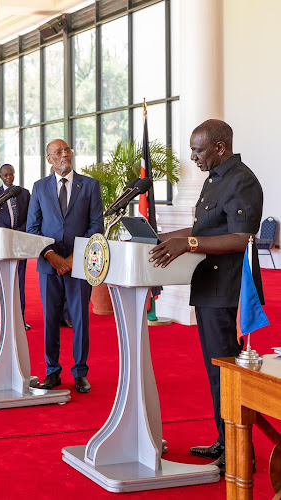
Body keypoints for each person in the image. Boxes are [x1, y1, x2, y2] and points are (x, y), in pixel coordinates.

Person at [149, 119, 263, 473]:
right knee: (215, 371)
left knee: (226, 372)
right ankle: (224, 438)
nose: (193, 156)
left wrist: (189, 243)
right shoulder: (215, 179)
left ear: (220, 146)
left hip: (227, 287)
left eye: (198, 150)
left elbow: (242, 237)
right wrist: (165, 236)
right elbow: (203, 229)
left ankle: (239, 451)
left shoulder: (241, 180)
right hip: (208, 285)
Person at [26, 139, 104, 393]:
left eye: (67, 150)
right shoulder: (38, 188)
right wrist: (53, 258)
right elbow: (32, 229)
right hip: (48, 265)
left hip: (79, 265)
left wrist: (72, 259)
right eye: (58, 152)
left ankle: (80, 372)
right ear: (49, 159)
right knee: (50, 320)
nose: (64, 155)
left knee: (80, 318)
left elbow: (96, 227)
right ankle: (52, 371)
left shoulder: (90, 185)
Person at [0, 163, 31, 330]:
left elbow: (30, 216)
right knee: (3, 281)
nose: (9, 177)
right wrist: (7, 232)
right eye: (6, 175)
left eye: (11, 174)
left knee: (20, 282)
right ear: (0, 176)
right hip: (2, 244)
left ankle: (20, 319)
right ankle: (3, 319)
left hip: (20, 242)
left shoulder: (24, 193)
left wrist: (19, 231)